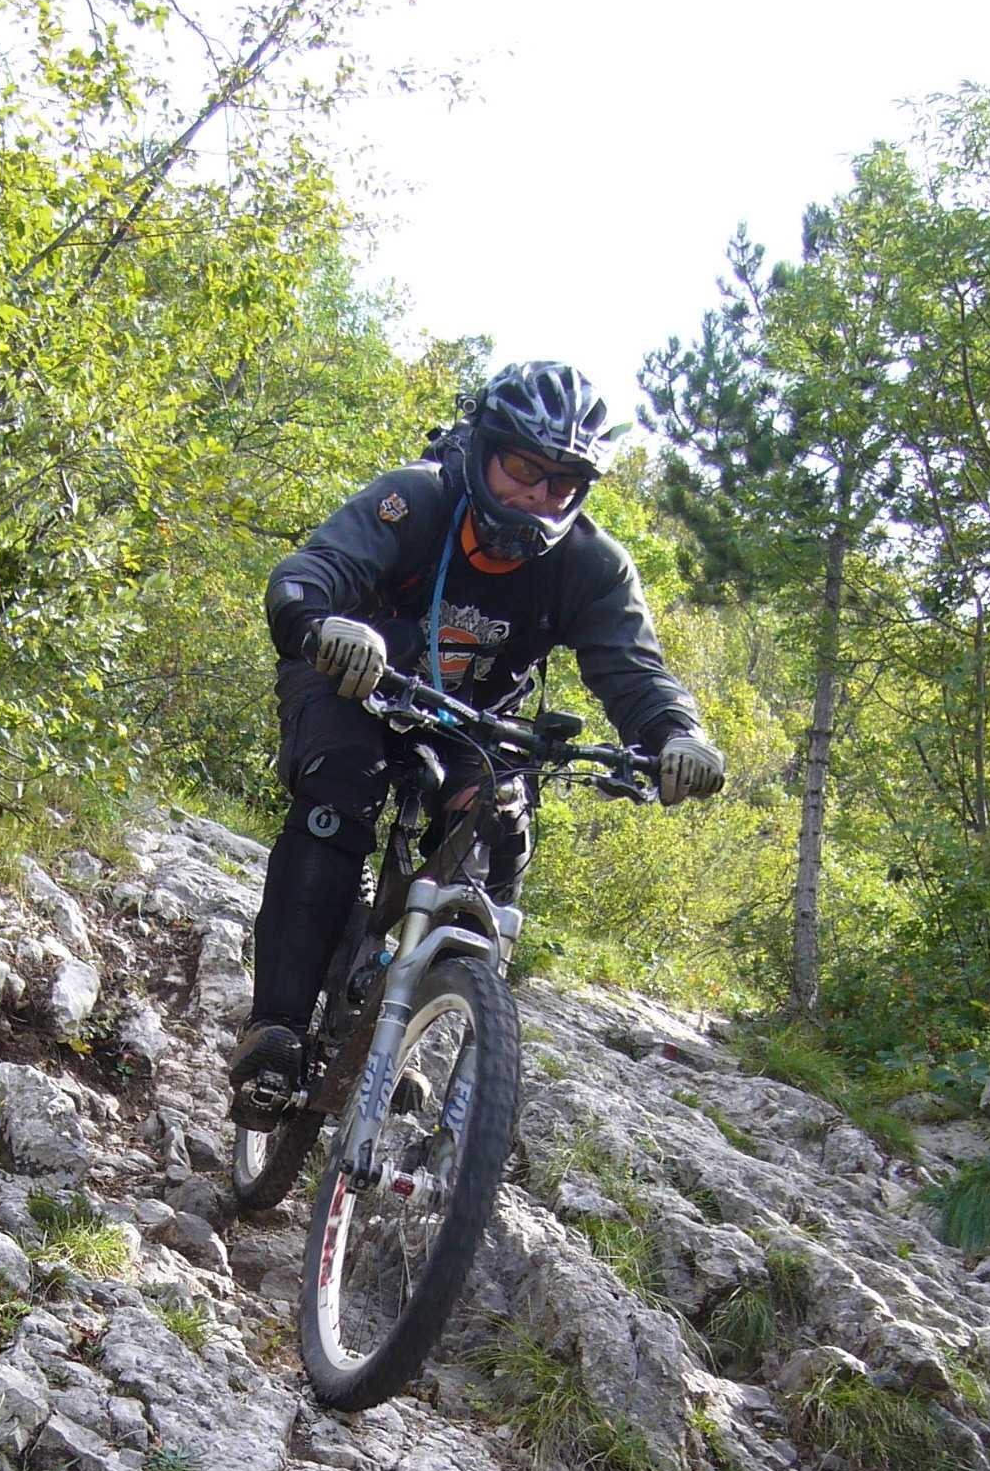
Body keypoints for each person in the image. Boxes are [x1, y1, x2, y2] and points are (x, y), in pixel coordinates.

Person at [231, 359, 725, 1116]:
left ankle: (415, 1039)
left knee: (499, 829)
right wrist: (321, 623)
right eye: (525, 469)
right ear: (488, 449)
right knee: (339, 793)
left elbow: (634, 672)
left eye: (563, 483)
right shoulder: (416, 499)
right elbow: (313, 570)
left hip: (477, 718)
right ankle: (278, 1031)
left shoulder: (591, 566)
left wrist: (676, 735)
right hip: (353, 681)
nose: (540, 494)